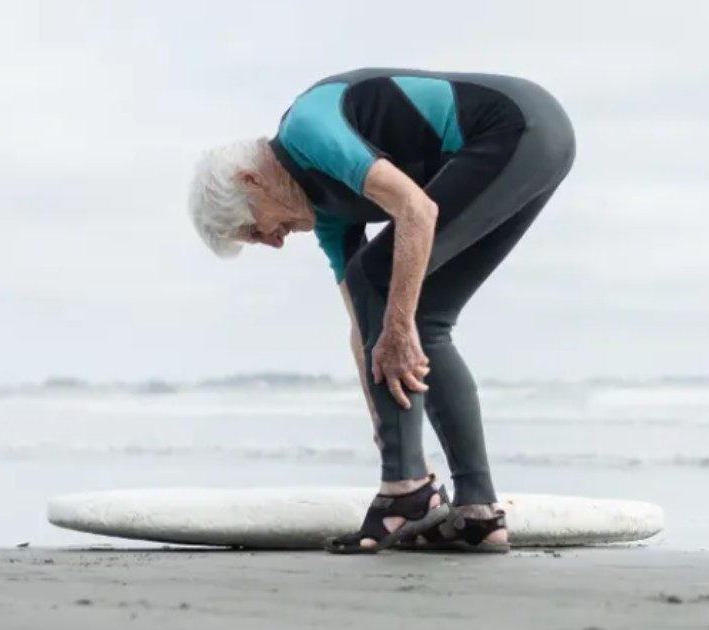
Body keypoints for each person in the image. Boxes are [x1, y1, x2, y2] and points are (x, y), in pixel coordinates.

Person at [188, 68, 575, 553]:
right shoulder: (326, 213)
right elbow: (361, 321)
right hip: (535, 144)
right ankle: (477, 512)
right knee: (419, 316)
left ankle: (405, 494)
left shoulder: (309, 129)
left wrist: (396, 327)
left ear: (251, 181)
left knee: (390, 293)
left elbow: (417, 210)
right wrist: (384, 422)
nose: (273, 242)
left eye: (253, 229)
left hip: (517, 127)